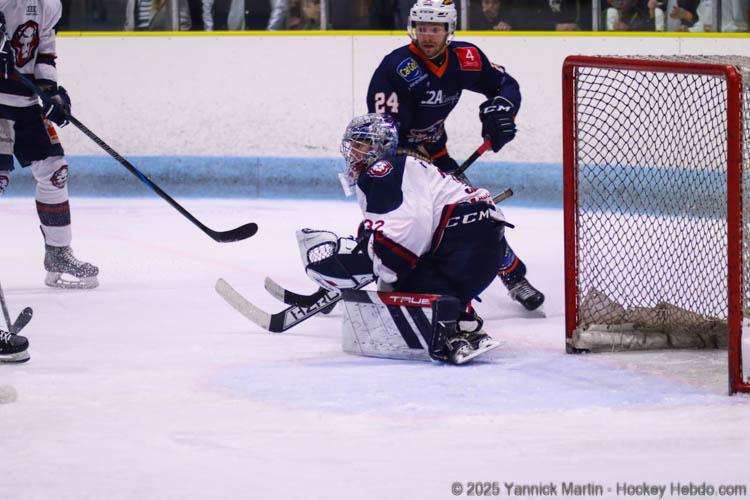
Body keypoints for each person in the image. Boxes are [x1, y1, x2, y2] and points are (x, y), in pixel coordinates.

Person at [365, 0, 544, 311]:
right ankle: (386, 277)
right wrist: (409, 158)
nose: (427, 36)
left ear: (449, 30)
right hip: (399, 161)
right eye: (422, 28)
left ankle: (515, 278)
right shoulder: (396, 68)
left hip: (436, 155)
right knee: (404, 224)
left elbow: (505, 84)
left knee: (478, 216)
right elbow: (384, 132)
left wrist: (502, 108)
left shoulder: (466, 59)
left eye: (435, 29)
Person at [336, 113, 505, 362]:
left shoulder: (382, 169)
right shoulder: (404, 166)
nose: (352, 152)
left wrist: (381, 267)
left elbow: (409, 229)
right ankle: (465, 323)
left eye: (359, 145)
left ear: (378, 147)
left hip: (463, 247)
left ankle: (451, 332)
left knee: (401, 280)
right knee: (409, 273)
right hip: (483, 247)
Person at [0, 2, 99, 289]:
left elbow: (44, 52)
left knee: (55, 171)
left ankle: (58, 254)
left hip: (26, 103)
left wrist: (51, 93)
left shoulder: (49, 4)